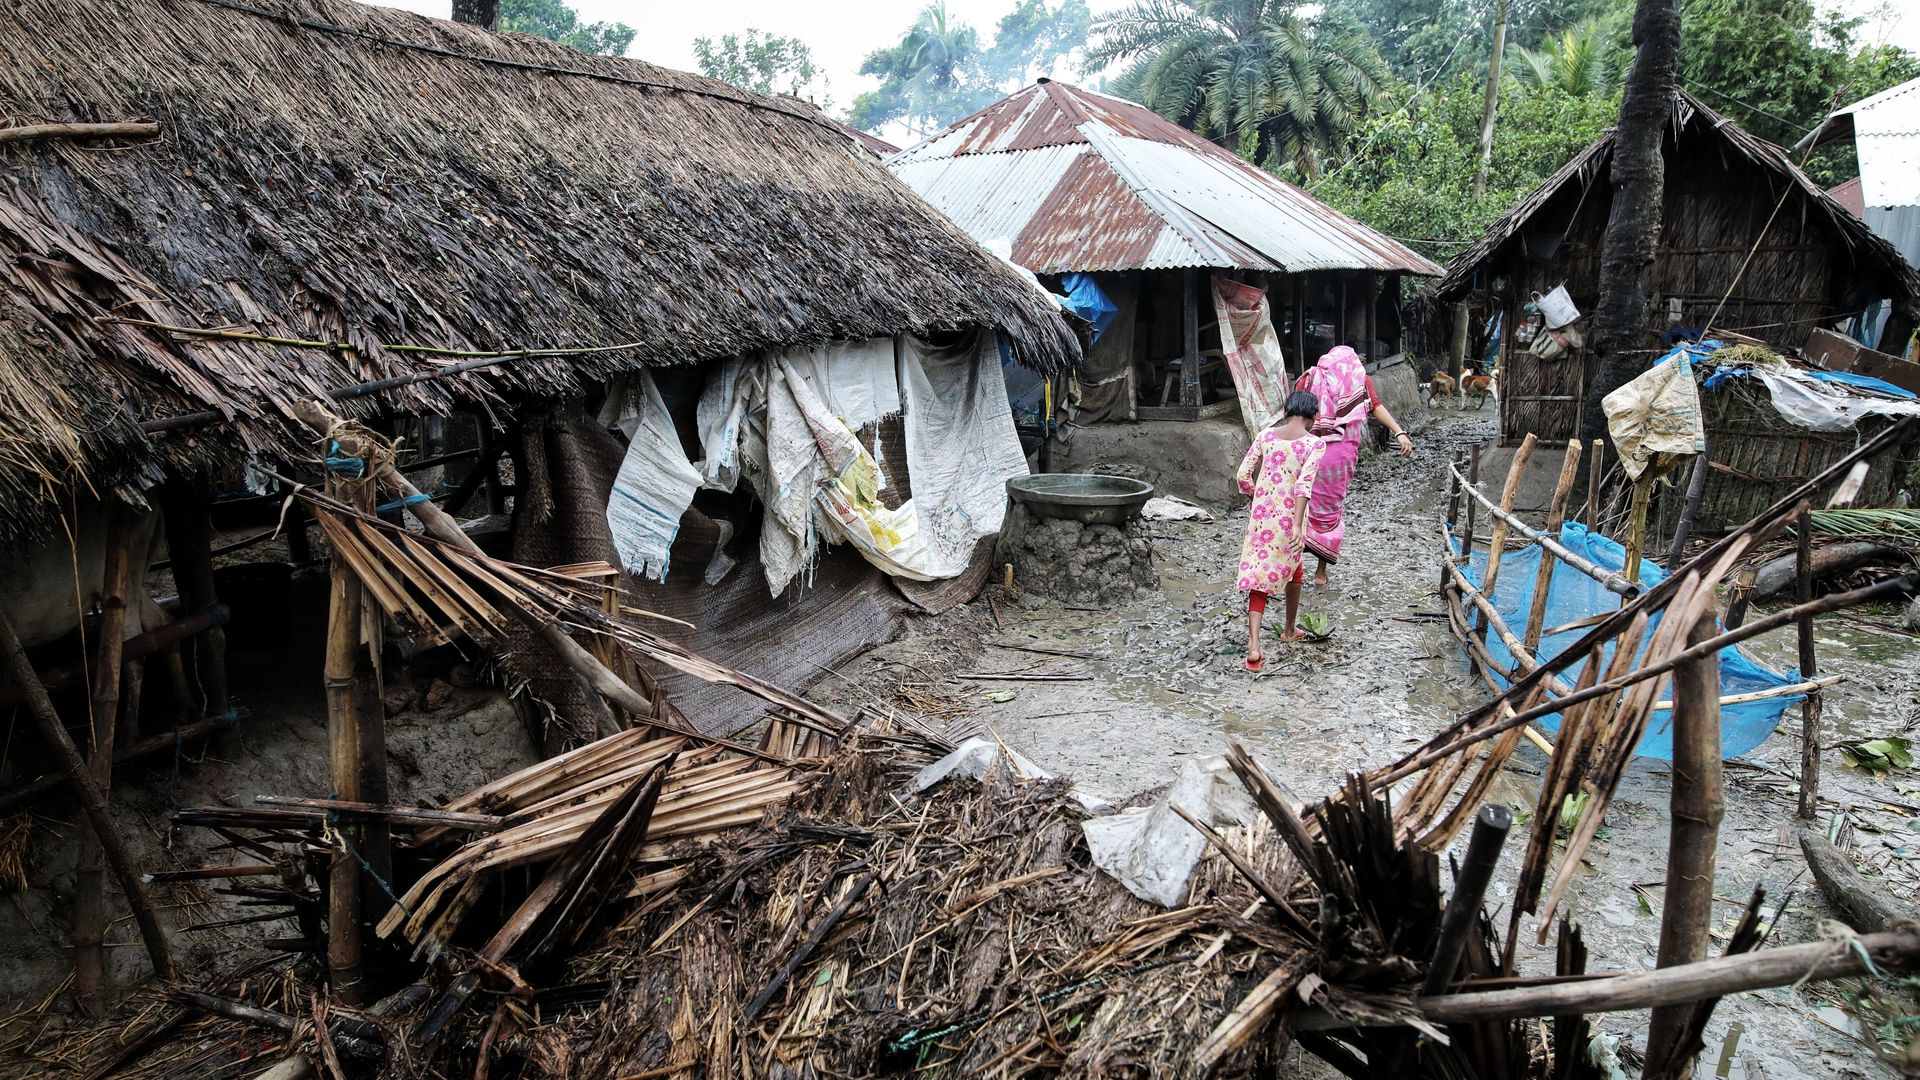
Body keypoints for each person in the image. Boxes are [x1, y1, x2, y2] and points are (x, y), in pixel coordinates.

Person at [1294, 345, 1414, 586]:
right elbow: (1376, 406)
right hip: (1340, 459)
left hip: (1309, 452)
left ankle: (1293, 569)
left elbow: (1293, 415)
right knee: (1331, 513)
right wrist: (1399, 431)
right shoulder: (1358, 378)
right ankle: (1320, 573)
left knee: (1300, 506)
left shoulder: (1308, 378)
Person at [1235, 390, 1326, 672]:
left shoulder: (1266, 436)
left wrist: (1254, 498)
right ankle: (1288, 629)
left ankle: (1253, 646)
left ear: (1286, 411)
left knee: (1259, 575)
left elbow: (1242, 475)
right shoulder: (1314, 444)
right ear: (1312, 416)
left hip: (1261, 518)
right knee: (1294, 567)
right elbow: (1303, 486)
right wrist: (1297, 525)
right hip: (1290, 519)